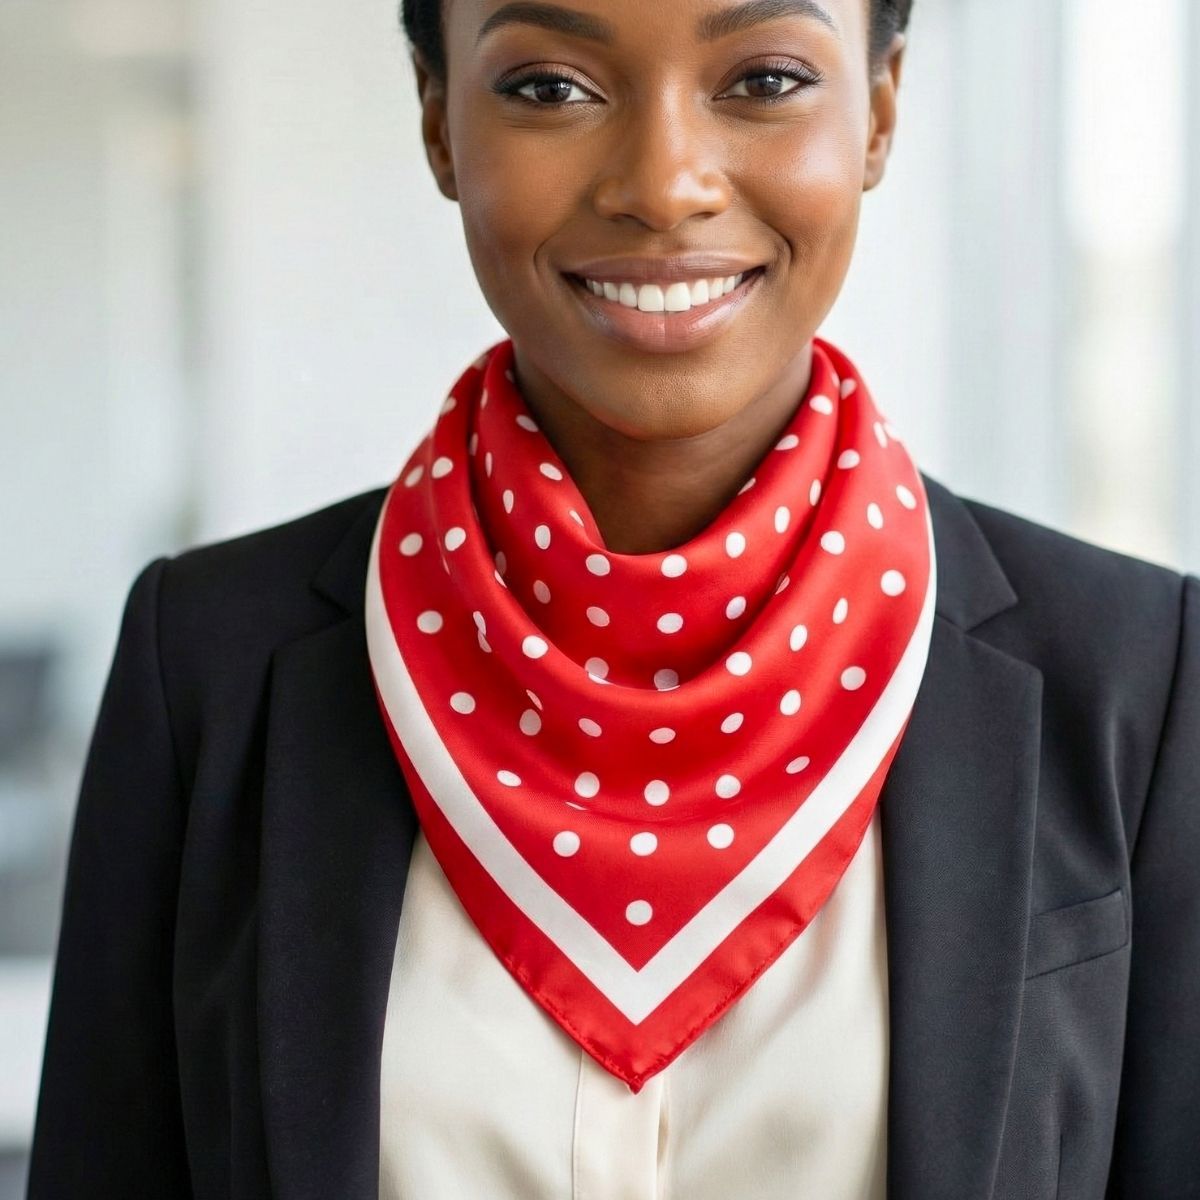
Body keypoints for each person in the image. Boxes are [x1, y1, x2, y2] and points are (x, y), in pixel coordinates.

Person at [26, 0, 1200, 1196]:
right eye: (548, 88)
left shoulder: (1136, 677)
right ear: (439, 122)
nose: (664, 182)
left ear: (880, 113)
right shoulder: (209, 665)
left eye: (767, 78)